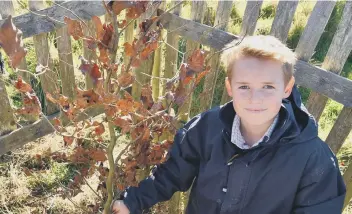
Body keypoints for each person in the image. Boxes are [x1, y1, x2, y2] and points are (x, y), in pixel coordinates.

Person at [111, 35, 346, 214]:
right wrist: (133, 201)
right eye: (244, 87)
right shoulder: (206, 128)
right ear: (230, 87)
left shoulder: (314, 159)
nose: (255, 99)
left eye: (267, 87)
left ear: (286, 88)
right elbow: (173, 172)